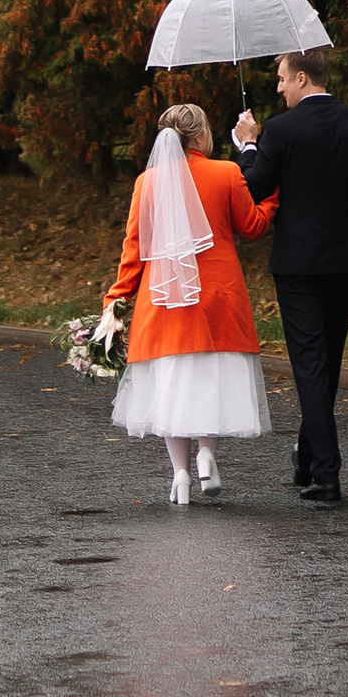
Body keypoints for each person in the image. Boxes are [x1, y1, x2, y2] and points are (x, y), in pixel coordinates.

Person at [232, 47, 348, 503]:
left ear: (302, 78)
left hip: (298, 265)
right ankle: (308, 457)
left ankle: (326, 472)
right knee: (328, 361)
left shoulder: (281, 129)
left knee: (310, 364)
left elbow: (254, 187)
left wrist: (248, 146)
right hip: (346, 261)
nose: (279, 87)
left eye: (283, 79)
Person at [100, 100, 277, 505]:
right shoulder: (226, 172)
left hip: (163, 300)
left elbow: (134, 247)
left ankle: (180, 475)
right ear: (199, 136)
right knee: (212, 379)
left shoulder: (147, 182)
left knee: (171, 385)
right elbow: (252, 226)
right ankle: (207, 455)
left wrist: (116, 298)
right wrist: (272, 198)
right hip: (217, 297)